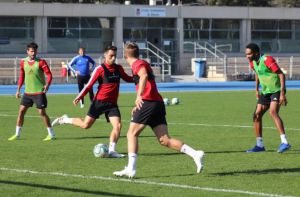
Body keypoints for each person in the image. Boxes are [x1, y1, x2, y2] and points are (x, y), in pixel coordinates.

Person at [113, 42, 204, 178]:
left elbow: (143, 76)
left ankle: (131, 169)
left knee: (131, 134)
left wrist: (139, 97)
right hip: (156, 103)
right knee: (164, 140)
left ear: (125, 55)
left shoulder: (138, 64)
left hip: (148, 102)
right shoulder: (141, 63)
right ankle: (195, 154)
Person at [52, 45, 134, 158]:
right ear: (105, 55)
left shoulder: (118, 68)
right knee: (85, 125)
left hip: (112, 104)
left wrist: (139, 77)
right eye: (111, 56)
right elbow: (89, 84)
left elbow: (128, 79)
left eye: (115, 56)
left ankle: (111, 151)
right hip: (99, 102)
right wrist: (80, 96)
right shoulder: (100, 69)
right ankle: (65, 119)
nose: (113, 58)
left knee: (118, 126)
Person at [245, 43, 291, 153]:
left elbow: (281, 74)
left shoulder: (267, 59)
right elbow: (257, 74)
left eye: (249, 54)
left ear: (256, 53)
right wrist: (256, 89)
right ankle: (259, 145)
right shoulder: (252, 62)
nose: (247, 56)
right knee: (256, 115)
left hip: (276, 90)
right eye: (246, 54)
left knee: (273, 112)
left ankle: (285, 142)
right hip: (265, 92)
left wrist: (282, 93)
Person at [8, 42, 55, 141]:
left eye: (35, 51)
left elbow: (49, 75)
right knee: (21, 112)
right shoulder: (22, 62)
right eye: (31, 51)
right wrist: (18, 90)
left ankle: (51, 134)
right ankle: (17, 134)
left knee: (42, 113)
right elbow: (22, 76)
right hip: (27, 93)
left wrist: (47, 85)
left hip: (39, 92)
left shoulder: (41, 62)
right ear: (27, 51)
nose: (33, 53)